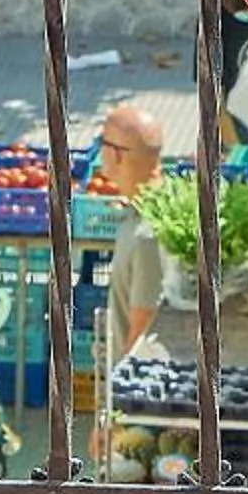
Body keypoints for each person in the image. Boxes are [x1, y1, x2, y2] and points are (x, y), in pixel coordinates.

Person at [92, 103, 167, 382]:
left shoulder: (149, 235)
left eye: (101, 143)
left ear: (115, 154)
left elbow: (141, 334)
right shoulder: (141, 212)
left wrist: (113, 412)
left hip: (138, 391)